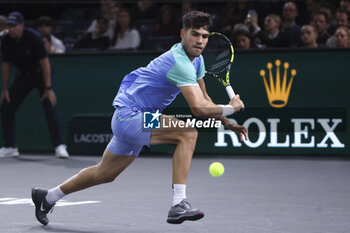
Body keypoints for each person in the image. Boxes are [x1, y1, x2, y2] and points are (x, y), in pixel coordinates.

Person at [31, 11, 247, 226]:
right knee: (188, 133)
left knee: (105, 173)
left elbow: (205, 100)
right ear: (183, 33)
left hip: (140, 116)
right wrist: (231, 107)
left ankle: (47, 197)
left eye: (205, 36)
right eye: (195, 34)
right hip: (130, 116)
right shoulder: (179, 62)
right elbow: (199, 110)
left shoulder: (197, 61)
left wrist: (228, 121)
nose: (200, 41)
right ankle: (179, 203)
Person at [0, 12, 69, 158]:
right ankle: (9, 147)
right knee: (6, 105)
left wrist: (48, 88)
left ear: (22, 25)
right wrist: (5, 89)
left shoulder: (33, 37)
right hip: (24, 76)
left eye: (14, 26)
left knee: (49, 105)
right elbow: (6, 65)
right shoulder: (6, 40)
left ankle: (59, 146)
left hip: (41, 75)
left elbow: (45, 62)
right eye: (9, 26)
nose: (11, 29)